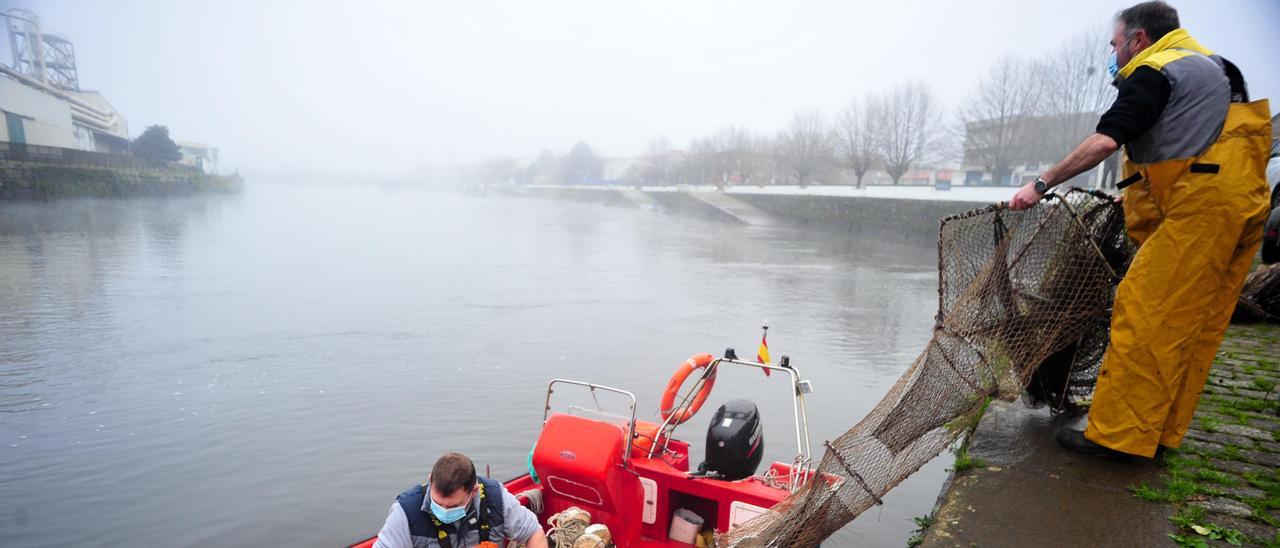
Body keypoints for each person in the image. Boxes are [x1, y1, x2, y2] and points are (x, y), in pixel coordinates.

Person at [1009, 1, 1271, 458]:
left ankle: (1118, 438)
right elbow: (1196, 143)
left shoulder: (1153, 70)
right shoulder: (1216, 67)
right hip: (1244, 206)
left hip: (1202, 214)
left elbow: (1106, 140)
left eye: (1115, 44)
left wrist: (1041, 183)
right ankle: (1160, 432)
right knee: (1197, 325)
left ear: (1139, 39)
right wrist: (1135, 194)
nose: (1114, 53)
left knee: (1147, 312)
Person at [373, 452, 548, 548]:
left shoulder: (497, 498)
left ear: (474, 490)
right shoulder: (406, 512)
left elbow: (534, 533)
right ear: (430, 479)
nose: (444, 511)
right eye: (438, 504)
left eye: (453, 506)